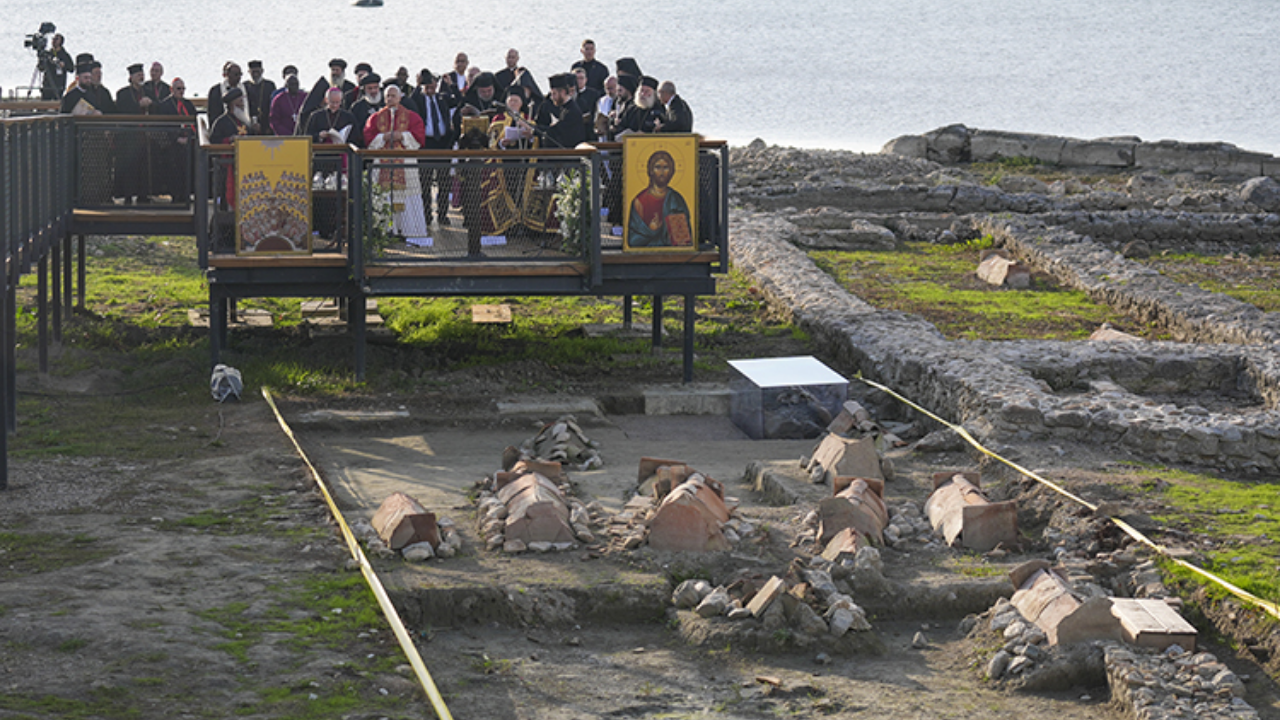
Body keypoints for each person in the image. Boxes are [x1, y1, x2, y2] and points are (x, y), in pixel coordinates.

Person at [364, 84, 428, 242]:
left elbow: (419, 138)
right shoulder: (375, 118)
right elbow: (368, 139)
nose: (390, 99)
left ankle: (411, 233)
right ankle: (384, 233)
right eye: (387, 96)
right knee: (383, 197)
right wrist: (382, 138)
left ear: (400, 98)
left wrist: (403, 136)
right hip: (383, 165)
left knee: (409, 198)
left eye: (393, 96)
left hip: (406, 166)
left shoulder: (412, 117)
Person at [407, 69, 455, 226]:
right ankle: (426, 215)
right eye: (427, 86)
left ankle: (442, 214)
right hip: (425, 144)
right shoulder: (419, 99)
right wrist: (418, 84)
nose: (430, 88)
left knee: (444, 181)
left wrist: (450, 85)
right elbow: (410, 101)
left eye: (432, 85)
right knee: (425, 181)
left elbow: (459, 100)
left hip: (443, 144)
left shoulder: (442, 98)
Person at [628, 150, 692, 247]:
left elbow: (684, 238)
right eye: (657, 167)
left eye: (666, 167)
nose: (662, 172)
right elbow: (633, 240)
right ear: (651, 171)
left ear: (671, 171)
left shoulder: (676, 199)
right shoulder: (640, 201)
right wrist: (651, 231)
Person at [154, 78, 197, 201]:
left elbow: (195, 122)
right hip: (172, 144)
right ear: (171, 89)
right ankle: (176, 195)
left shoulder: (188, 104)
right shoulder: (164, 105)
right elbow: (164, 126)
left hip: (189, 141)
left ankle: (187, 194)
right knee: (175, 170)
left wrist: (191, 137)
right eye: (179, 89)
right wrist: (176, 138)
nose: (181, 91)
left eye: (183, 89)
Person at [527, 73, 585, 149]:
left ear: (563, 92)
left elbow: (556, 131)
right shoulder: (560, 107)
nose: (552, 97)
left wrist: (532, 128)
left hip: (567, 156)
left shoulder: (572, 111)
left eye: (554, 94)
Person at [301, 59, 354, 124]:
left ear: (342, 72)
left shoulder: (350, 87)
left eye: (337, 70)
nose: (334, 73)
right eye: (332, 70)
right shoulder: (322, 87)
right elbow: (308, 109)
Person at [348, 73, 385, 148]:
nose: (373, 91)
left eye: (375, 87)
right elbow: (354, 130)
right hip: (364, 147)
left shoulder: (386, 103)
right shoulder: (357, 107)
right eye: (370, 88)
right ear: (364, 90)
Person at [244, 60, 276, 133]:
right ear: (249, 72)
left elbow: (273, 105)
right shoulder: (244, 86)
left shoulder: (270, 85)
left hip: (267, 123)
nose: (255, 74)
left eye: (257, 71)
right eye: (253, 71)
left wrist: (269, 126)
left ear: (262, 71)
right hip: (249, 123)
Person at [607, 74, 643, 140]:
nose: (618, 94)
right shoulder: (618, 103)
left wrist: (619, 124)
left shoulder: (636, 107)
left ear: (628, 90)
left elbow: (633, 128)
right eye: (617, 91)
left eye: (620, 91)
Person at [40, 33, 73, 100]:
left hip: (59, 85)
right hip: (47, 85)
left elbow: (71, 68)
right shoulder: (48, 54)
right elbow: (41, 68)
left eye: (56, 39)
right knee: (44, 104)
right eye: (53, 39)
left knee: (57, 104)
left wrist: (63, 65)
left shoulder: (64, 55)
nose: (54, 41)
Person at [595, 75, 617, 140]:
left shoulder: (621, 101)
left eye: (611, 88)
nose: (609, 91)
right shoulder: (601, 101)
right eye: (607, 89)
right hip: (604, 136)